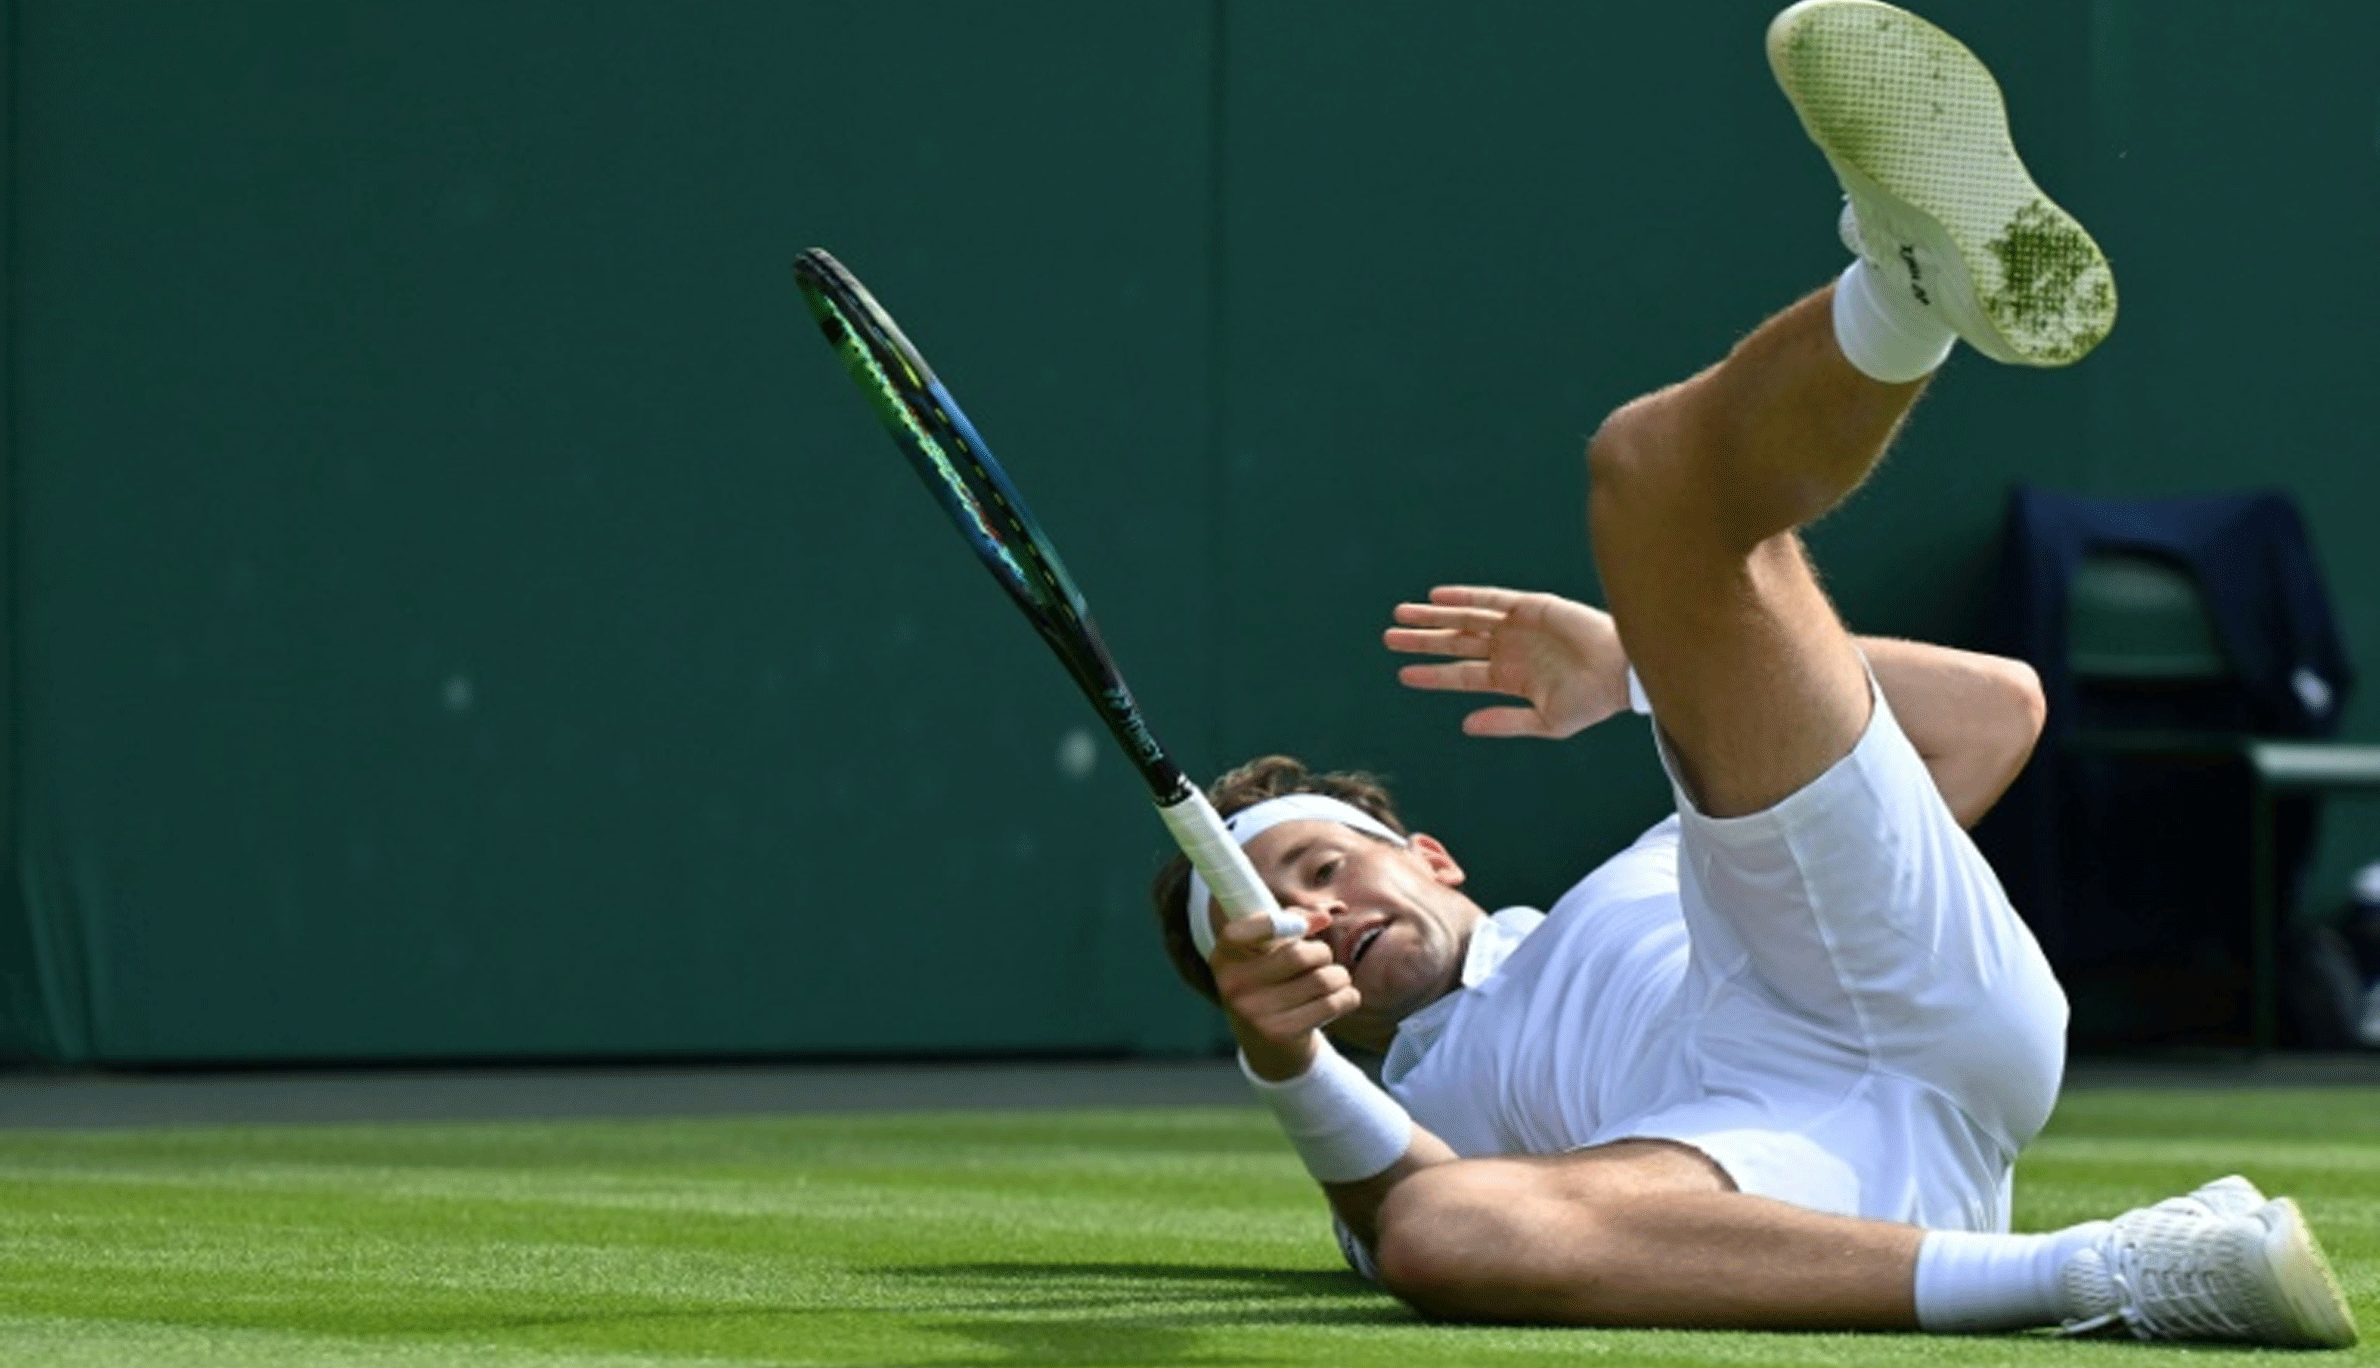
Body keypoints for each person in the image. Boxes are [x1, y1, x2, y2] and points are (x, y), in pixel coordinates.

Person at [1148, 0, 2361, 1348]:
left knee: (1649, 476)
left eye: (1318, 869)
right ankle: (2106, 1274)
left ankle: (1905, 289)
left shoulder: (1667, 863)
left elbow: (1994, 711)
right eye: (1258, 932)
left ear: (1428, 855)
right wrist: (1286, 1059)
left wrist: (1637, 665)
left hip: (1861, 971)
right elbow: (1394, 1216)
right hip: (1777, 1171)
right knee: (1441, 1229)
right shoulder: (1388, 1124)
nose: (1307, 918)